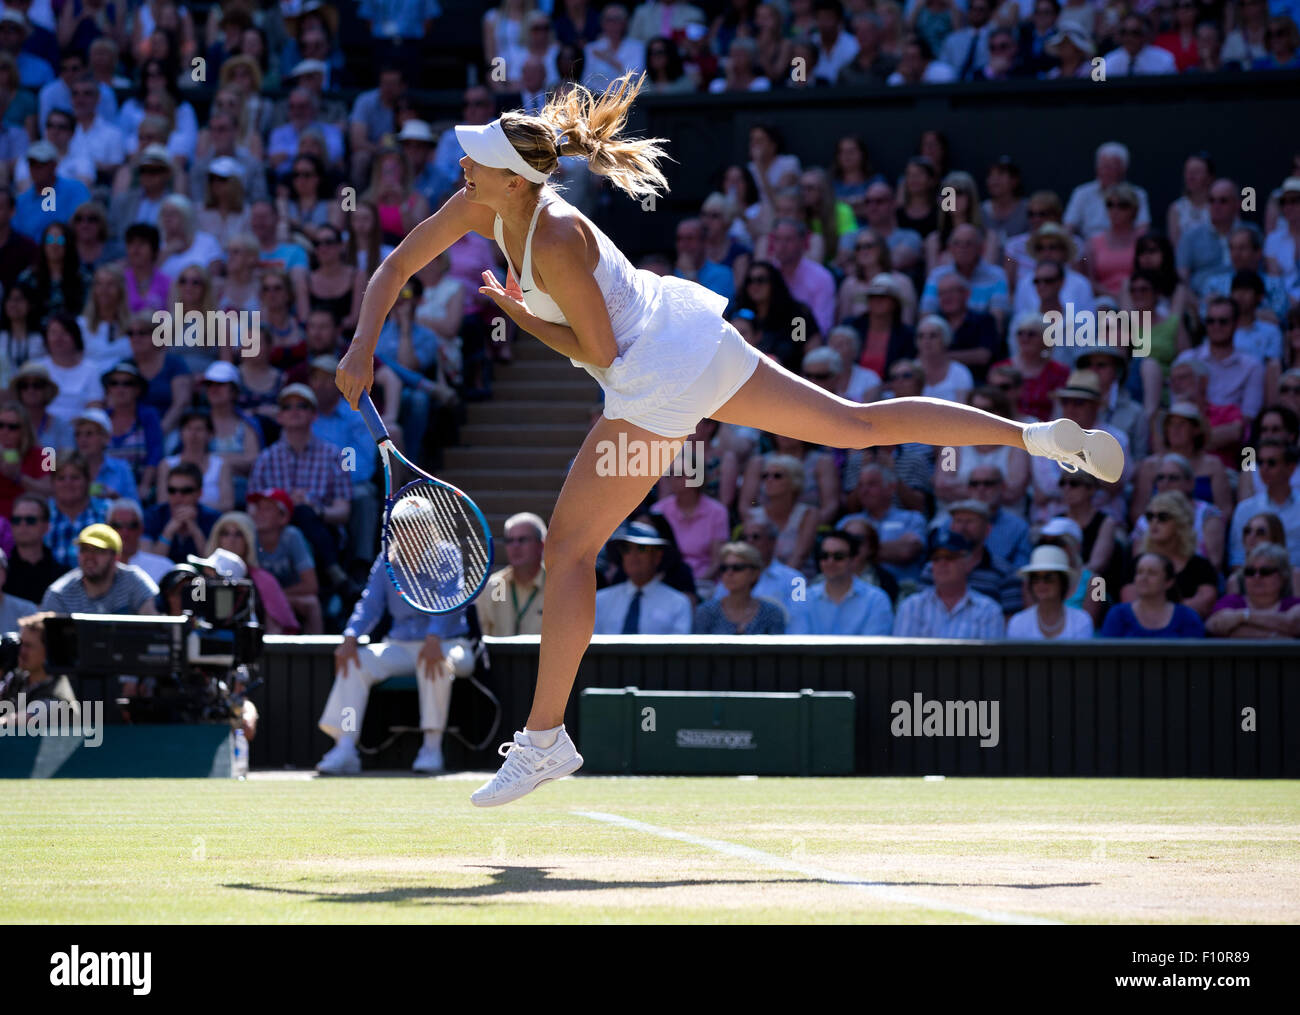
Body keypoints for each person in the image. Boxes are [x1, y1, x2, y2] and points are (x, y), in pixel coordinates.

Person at [334, 73, 1122, 807]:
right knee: (855, 423)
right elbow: (397, 264)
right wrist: (362, 344)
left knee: (570, 549)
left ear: (516, 179)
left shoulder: (559, 237)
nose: (463, 166)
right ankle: (1035, 437)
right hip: (693, 343)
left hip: (653, 378)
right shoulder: (482, 202)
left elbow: (601, 353)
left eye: (479, 161)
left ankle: (544, 740)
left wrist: (521, 316)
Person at [316, 538, 476, 776]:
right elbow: (370, 604)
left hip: (449, 643)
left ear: (429, 527)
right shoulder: (386, 561)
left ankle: (431, 747)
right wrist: (351, 636)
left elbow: (450, 599)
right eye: (401, 524)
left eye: (415, 523)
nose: (408, 530)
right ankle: (346, 746)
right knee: (355, 662)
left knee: (433, 660)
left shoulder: (447, 554)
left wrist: (434, 635)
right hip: (401, 645)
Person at [892, 530, 1005, 638]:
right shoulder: (911, 607)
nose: (942, 563)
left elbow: (989, 658)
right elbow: (901, 656)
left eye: (950, 557)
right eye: (936, 558)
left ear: (967, 562)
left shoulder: (988, 610)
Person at [592, 521, 693, 635]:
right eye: (626, 549)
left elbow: (679, 650)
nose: (633, 555)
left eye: (641, 548)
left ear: (657, 556)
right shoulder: (600, 601)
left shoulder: (678, 603)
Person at [787, 529, 893, 635]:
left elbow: (874, 648)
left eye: (838, 556)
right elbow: (797, 644)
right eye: (824, 556)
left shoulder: (876, 600)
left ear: (853, 559)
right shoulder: (802, 599)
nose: (830, 561)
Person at [40, 522, 158, 614]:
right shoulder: (59, 593)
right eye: (84, 550)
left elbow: (154, 625)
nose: (89, 557)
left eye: (98, 551)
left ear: (116, 557)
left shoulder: (134, 581)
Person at [1228, 439, 1300, 568]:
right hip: (1256, 579)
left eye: (1271, 463)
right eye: (1260, 462)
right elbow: (1237, 558)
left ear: (1291, 468)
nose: (1264, 468)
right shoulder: (1245, 508)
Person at [1100, 551, 1205, 638]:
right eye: (1139, 572)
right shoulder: (1118, 615)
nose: (1143, 578)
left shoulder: (1187, 617)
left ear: (1168, 582)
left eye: (1152, 573)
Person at [1206, 542, 1300, 638]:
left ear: (1283, 576)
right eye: (1250, 571)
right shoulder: (1231, 601)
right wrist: (1273, 636)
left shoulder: (1294, 604)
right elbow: (1215, 625)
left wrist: (1240, 617)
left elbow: (1293, 624)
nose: (1257, 577)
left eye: (1265, 571)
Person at [474, 511, 546, 636]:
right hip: (498, 656)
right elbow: (479, 638)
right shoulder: (492, 586)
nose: (515, 546)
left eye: (522, 540)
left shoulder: (559, 588)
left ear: (541, 545)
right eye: (509, 540)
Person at [692, 540, 786, 634]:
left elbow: (778, 649)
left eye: (737, 567)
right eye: (724, 568)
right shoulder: (706, 612)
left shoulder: (771, 614)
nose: (729, 573)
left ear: (755, 573)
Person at [1006, 544, 1094, 640]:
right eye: (1035, 578)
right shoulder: (1018, 623)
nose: (1041, 584)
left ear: (1062, 582)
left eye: (1048, 578)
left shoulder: (1081, 620)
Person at [3, 494, 66, 603]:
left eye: (30, 520)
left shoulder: (63, 576)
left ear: (46, 526)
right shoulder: (2, 575)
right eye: (16, 520)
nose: (22, 525)